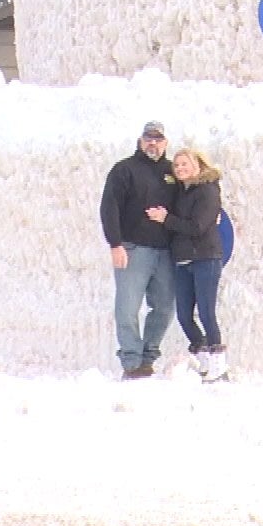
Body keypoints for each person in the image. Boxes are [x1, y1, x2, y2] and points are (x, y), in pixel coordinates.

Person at [100, 120, 178, 379]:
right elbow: (109, 207)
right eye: (148, 138)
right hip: (133, 249)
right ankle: (132, 363)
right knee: (127, 308)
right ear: (140, 140)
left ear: (165, 143)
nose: (152, 143)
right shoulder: (124, 170)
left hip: (165, 252)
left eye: (158, 139)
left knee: (165, 307)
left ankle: (148, 356)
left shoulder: (172, 171)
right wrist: (115, 244)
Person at [150, 147, 230, 382]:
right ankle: (204, 358)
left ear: (198, 165)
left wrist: (166, 219)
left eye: (185, 164)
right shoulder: (181, 192)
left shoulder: (208, 191)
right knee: (184, 315)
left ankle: (219, 365)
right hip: (184, 260)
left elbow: (198, 226)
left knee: (206, 312)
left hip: (206, 257)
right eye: (177, 165)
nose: (180, 168)